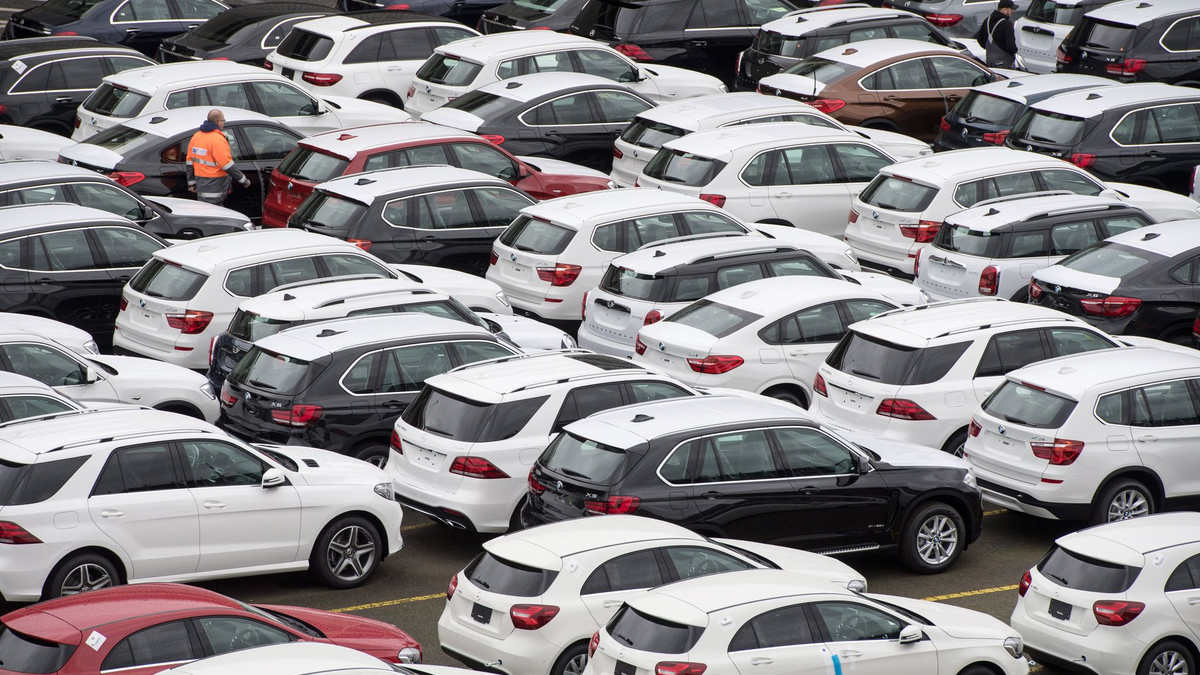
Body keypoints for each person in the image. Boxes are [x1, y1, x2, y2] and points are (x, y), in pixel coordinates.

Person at [186, 109, 251, 206]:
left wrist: (191, 183)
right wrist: (243, 180)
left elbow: (190, 162)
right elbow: (226, 164)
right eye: (223, 120)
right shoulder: (217, 139)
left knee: (207, 212)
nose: (224, 123)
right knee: (214, 215)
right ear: (219, 122)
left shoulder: (196, 136)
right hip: (215, 185)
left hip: (201, 184)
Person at [975, 0, 1018, 69]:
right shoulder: (1007, 24)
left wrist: (990, 50)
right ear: (1005, 10)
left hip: (990, 62)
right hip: (1005, 65)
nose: (1013, 11)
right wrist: (1015, 51)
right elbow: (1010, 46)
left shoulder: (987, 20)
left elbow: (980, 39)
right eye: (1011, 9)